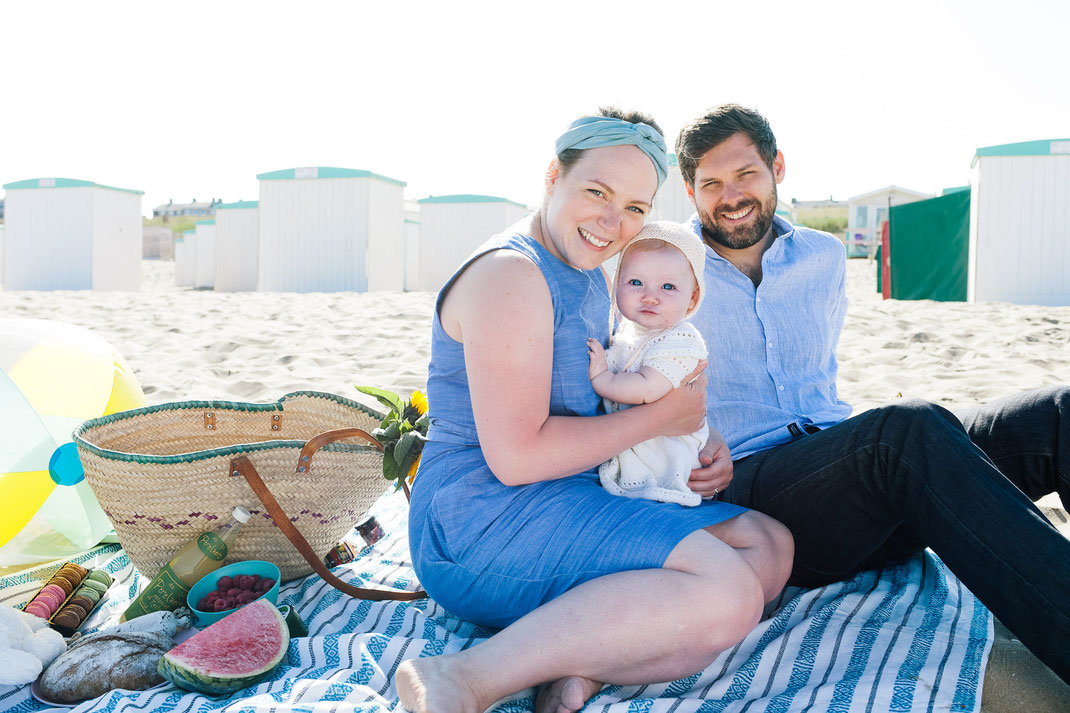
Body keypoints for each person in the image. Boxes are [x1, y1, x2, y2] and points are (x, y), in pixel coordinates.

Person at [395, 109, 794, 713]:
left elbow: (603, 392)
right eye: (597, 193)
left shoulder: (584, 271)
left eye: (635, 208)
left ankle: (581, 668)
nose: (613, 223)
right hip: (481, 520)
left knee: (769, 546)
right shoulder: (511, 275)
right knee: (728, 593)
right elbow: (516, 457)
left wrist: (689, 435)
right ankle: (465, 678)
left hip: (567, 491)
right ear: (554, 175)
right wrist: (662, 419)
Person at [675, 103, 1070, 684]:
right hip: (754, 495)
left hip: (852, 477)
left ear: (777, 167)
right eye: (710, 183)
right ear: (690, 190)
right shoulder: (661, 267)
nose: (729, 196)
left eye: (745, 175)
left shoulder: (823, 255)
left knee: (1056, 415)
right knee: (905, 432)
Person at [587, 221, 710, 506]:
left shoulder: (680, 339)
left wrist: (602, 378)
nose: (650, 296)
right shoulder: (629, 331)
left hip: (666, 450)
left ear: (691, 299)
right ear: (618, 283)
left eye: (668, 286)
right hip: (635, 436)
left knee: (654, 489)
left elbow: (647, 388)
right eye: (636, 282)